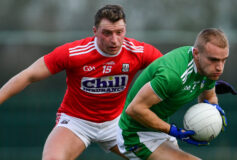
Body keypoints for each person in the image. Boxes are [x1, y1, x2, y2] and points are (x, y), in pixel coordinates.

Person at [0, 4, 163, 160]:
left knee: (165, 157)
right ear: (95, 31)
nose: (114, 40)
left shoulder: (139, 52)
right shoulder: (74, 53)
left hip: (116, 123)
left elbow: (172, 73)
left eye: (119, 32)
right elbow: (28, 75)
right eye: (107, 33)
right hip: (76, 122)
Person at [117, 28, 236, 160]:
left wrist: (214, 113)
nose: (220, 67)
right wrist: (173, 131)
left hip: (159, 133)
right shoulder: (173, 75)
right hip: (135, 135)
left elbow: (209, 98)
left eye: (223, 60)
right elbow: (134, 109)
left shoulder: (208, 68)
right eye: (214, 60)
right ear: (196, 53)